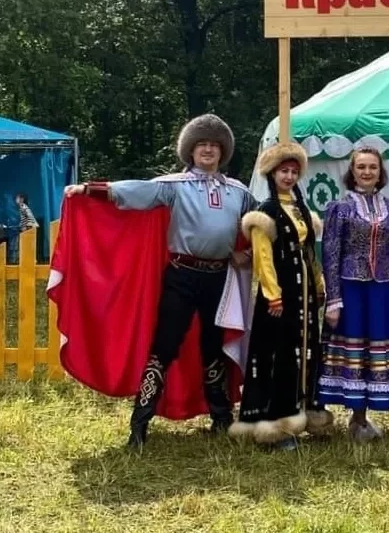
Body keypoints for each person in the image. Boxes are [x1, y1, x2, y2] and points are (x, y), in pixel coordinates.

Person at [58, 114, 254, 449]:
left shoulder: (239, 191)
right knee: (164, 346)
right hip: (181, 276)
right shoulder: (175, 185)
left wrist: (246, 251)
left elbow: (260, 222)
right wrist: (90, 190)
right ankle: (140, 424)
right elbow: (137, 191)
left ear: (223, 151)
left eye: (214, 145)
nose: (208, 150)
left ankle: (221, 418)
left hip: (220, 279)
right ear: (191, 151)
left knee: (214, 346)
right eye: (202, 145)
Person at [230, 141, 333, 450]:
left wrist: (319, 284)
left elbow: (309, 253)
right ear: (271, 174)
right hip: (280, 295)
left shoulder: (301, 210)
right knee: (281, 355)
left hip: (304, 293)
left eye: (293, 172)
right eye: (283, 171)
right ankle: (275, 425)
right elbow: (263, 258)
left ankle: (305, 414)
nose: (288, 177)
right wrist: (272, 295)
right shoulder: (265, 213)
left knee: (306, 352)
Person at [318, 147, 389, 441]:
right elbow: (331, 254)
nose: (367, 172)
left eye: (372, 167)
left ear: (380, 172)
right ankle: (357, 419)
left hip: (384, 288)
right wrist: (333, 299)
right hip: (351, 288)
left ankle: (366, 417)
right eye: (361, 167)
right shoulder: (339, 208)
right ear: (352, 171)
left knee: (377, 348)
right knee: (356, 349)